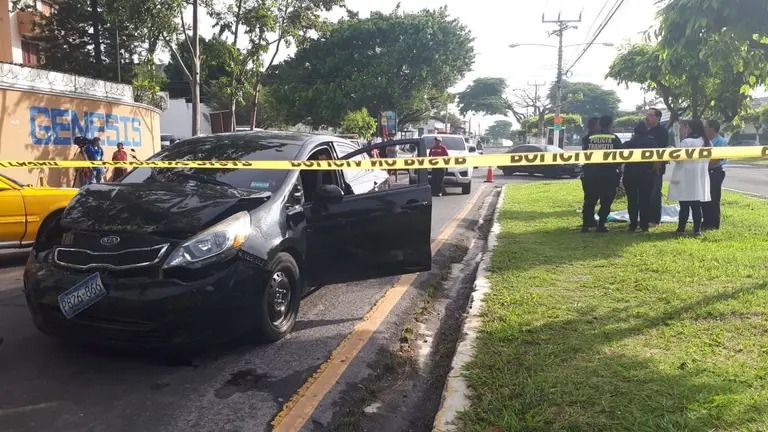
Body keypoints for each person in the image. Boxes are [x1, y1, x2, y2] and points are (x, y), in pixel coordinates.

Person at [668, 119, 711, 236]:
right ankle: (697, 230)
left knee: (684, 204)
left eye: (686, 127)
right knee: (696, 205)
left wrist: (671, 150)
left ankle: (681, 229)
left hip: (686, 176)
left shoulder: (687, 142)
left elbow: (678, 159)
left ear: (691, 128)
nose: (685, 130)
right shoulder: (706, 142)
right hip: (700, 175)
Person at [581, 115, 623, 232]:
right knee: (606, 200)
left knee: (590, 199)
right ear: (611, 124)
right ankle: (601, 224)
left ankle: (586, 224)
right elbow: (621, 157)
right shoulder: (614, 138)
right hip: (608, 174)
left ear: (600, 124)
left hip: (591, 173)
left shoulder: (589, 138)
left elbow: (585, 153)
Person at [622, 122, 658, 232]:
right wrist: (655, 171)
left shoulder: (628, 144)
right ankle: (644, 225)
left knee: (632, 200)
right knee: (645, 200)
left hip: (630, 174)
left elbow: (621, 159)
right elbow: (657, 160)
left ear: (634, 132)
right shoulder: (652, 143)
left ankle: (633, 224)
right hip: (647, 174)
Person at [646, 108, 670, 226]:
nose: (647, 117)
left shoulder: (662, 132)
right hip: (643, 167)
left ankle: (655, 220)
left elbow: (661, 150)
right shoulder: (645, 130)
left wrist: (657, 166)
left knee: (655, 194)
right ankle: (646, 217)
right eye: (647, 115)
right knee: (645, 193)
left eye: (650, 115)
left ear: (658, 118)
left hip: (656, 167)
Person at [702, 119, 727, 230]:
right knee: (705, 198)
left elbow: (715, 161)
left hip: (715, 172)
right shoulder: (705, 141)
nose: (704, 129)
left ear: (712, 128)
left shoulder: (720, 142)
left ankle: (713, 224)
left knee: (713, 198)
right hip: (705, 172)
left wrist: (701, 165)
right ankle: (706, 221)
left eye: (706, 127)